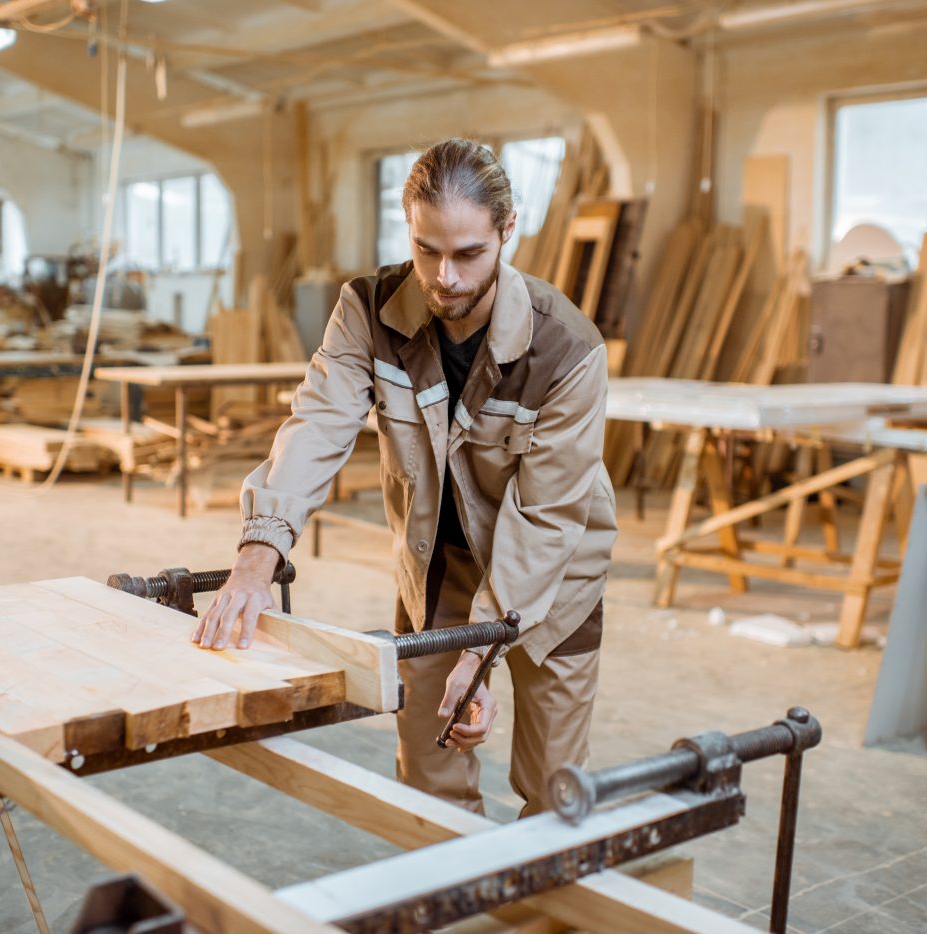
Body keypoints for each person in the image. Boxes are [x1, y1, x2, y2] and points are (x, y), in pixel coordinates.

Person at [193, 139, 617, 817]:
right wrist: (258, 551)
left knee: (554, 790)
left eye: (469, 253)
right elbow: (318, 422)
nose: (445, 277)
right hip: (438, 569)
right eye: (427, 250)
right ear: (408, 226)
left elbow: (546, 518)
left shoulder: (566, 348)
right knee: (429, 775)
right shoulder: (368, 310)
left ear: (508, 231)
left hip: (554, 576)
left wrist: (479, 652)